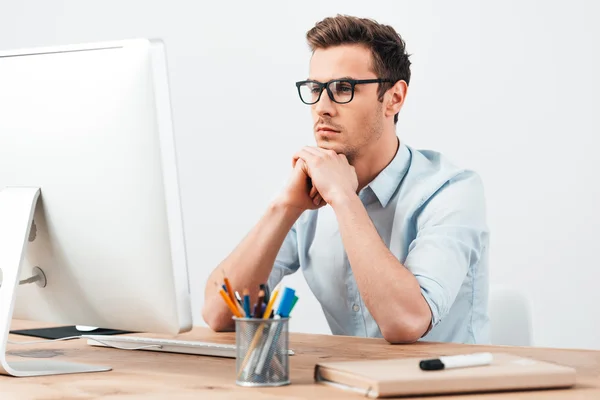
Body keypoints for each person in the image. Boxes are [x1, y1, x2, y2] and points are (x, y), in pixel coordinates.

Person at [202, 14, 489, 344]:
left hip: (442, 390)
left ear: (394, 98)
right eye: (315, 88)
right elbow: (218, 313)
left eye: (343, 88)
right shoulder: (309, 190)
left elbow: (406, 321)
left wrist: (344, 198)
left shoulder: (452, 191)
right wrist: (283, 206)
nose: (322, 107)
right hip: (350, 386)